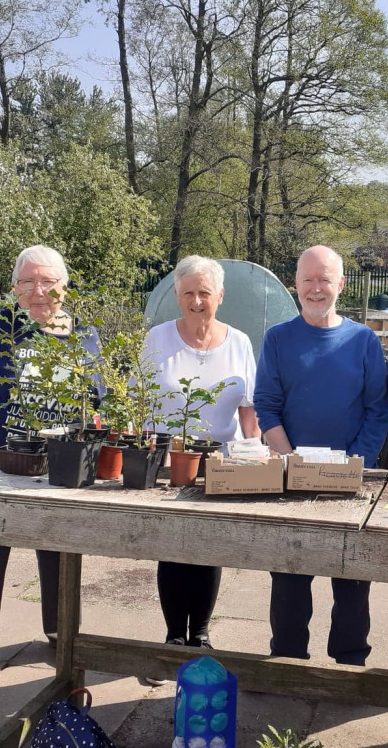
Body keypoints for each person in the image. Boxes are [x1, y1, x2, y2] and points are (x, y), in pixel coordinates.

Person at [0, 244, 102, 699]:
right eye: (27, 282)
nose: (38, 291)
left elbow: (94, 403)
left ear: (64, 286)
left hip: (56, 472)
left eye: (48, 281)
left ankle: (60, 637)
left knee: (58, 554)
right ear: (14, 287)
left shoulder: (84, 337)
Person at [253, 244, 388, 665]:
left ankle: (349, 661)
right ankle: (288, 659)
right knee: (289, 575)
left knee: (352, 578)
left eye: (325, 280)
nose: (316, 289)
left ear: (341, 285)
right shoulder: (278, 339)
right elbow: (266, 406)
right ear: (295, 284)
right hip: (291, 477)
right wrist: (292, 461)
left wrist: (356, 465)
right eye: (308, 280)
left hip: (350, 479)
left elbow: (376, 409)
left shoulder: (364, 340)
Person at [143, 256, 259, 678]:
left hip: (220, 467)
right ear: (176, 295)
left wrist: (253, 454)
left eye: (204, 292)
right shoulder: (157, 339)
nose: (196, 301)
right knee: (172, 549)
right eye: (188, 292)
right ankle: (175, 635)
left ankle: (202, 634)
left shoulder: (240, 343)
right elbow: (140, 402)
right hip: (169, 463)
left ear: (220, 296)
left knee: (209, 550)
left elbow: (249, 409)